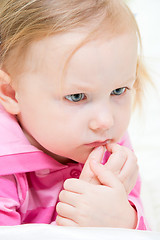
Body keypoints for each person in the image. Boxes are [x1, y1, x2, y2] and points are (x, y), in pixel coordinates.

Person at [0, 0, 150, 229]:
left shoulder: (110, 149)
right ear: (11, 93)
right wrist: (75, 228)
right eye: (77, 96)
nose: (105, 121)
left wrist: (125, 221)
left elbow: (140, 226)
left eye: (118, 90)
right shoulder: (5, 165)